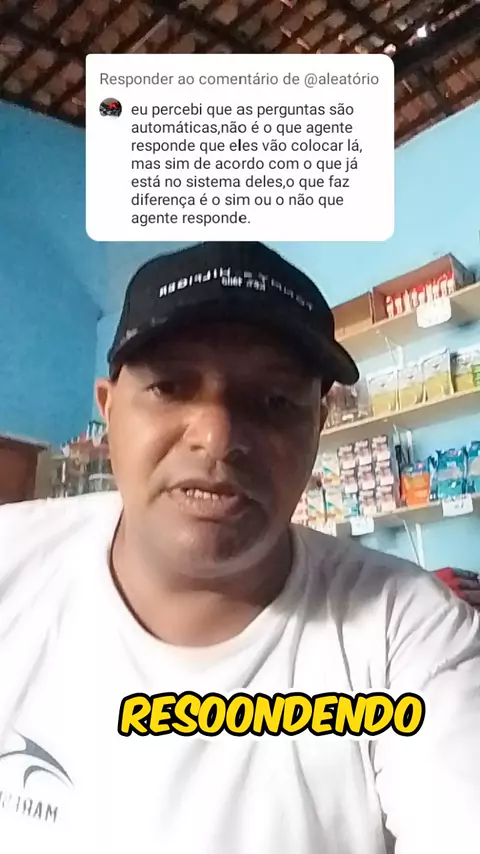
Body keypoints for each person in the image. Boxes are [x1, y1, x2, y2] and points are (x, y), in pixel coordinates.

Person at [0, 241, 479, 852]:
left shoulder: (406, 633)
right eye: (170, 386)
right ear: (109, 409)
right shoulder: (11, 561)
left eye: (274, 401)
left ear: (317, 427)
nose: (218, 437)